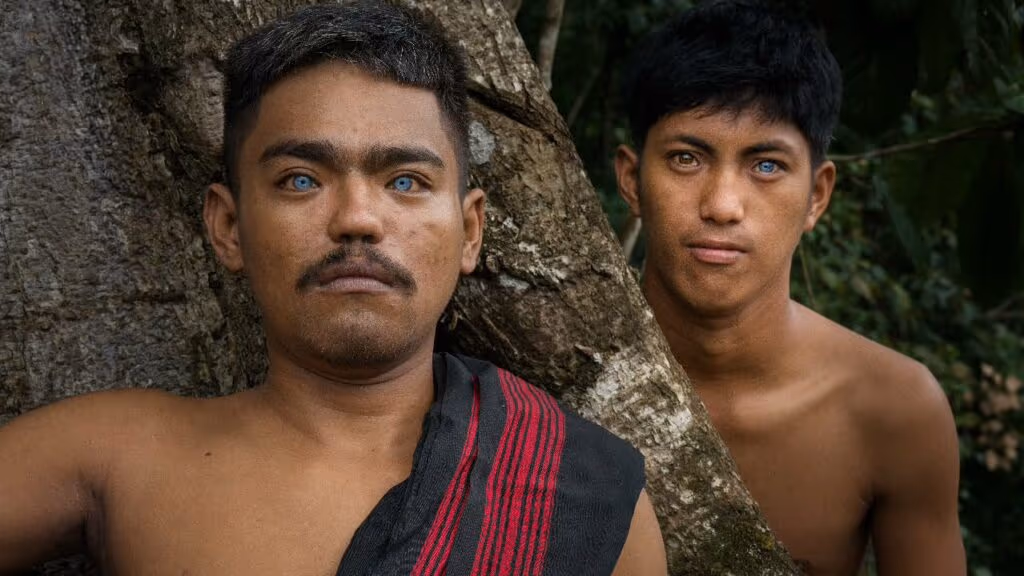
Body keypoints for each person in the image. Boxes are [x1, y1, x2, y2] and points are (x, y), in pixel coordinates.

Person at [0, 3, 667, 574]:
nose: (357, 218)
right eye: (300, 180)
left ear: (469, 232)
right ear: (229, 227)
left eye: (405, 181)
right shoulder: (119, 456)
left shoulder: (583, 493)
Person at [615, 1, 965, 574]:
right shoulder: (539, 362)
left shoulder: (894, 409)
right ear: (632, 180)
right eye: (686, 158)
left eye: (767, 165)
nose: (722, 206)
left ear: (818, 197)